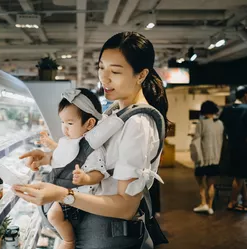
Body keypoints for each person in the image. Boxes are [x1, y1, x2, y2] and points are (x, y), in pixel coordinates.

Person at [15, 32, 169, 249]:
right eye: (101, 68)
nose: (104, 78)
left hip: (108, 236)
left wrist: (64, 194)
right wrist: (50, 156)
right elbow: (101, 159)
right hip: (93, 230)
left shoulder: (138, 124)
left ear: (141, 74)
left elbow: (126, 207)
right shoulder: (116, 113)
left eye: (115, 71)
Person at [45, 88, 109, 249]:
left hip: (79, 197)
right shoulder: (72, 139)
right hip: (67, 191)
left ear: (89, 124)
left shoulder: (92, 147)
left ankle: (68, 241)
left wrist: (86, 178)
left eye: (70, 123)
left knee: (53, 215)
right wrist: (51, 146)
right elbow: (65, 153)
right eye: (62, 122)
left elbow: (99, 172)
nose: (64, 128)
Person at [190, 101, 224, 215]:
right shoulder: (220, 123)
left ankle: (203, 203)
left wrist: (196, 156)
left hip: (203, 159)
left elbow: (196, 141)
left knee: (201, 184)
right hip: (215, 159)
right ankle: (210, 207)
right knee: (211, 184)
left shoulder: (201, 123)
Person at [219, 85, 247, 212]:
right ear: (245, 96)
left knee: (240, 175)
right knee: (240, 177)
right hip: (244, 147)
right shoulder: (245, 109)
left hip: (231, 147)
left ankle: (245, 202)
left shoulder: (227, 109)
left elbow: (222, 127)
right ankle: (233, 202)